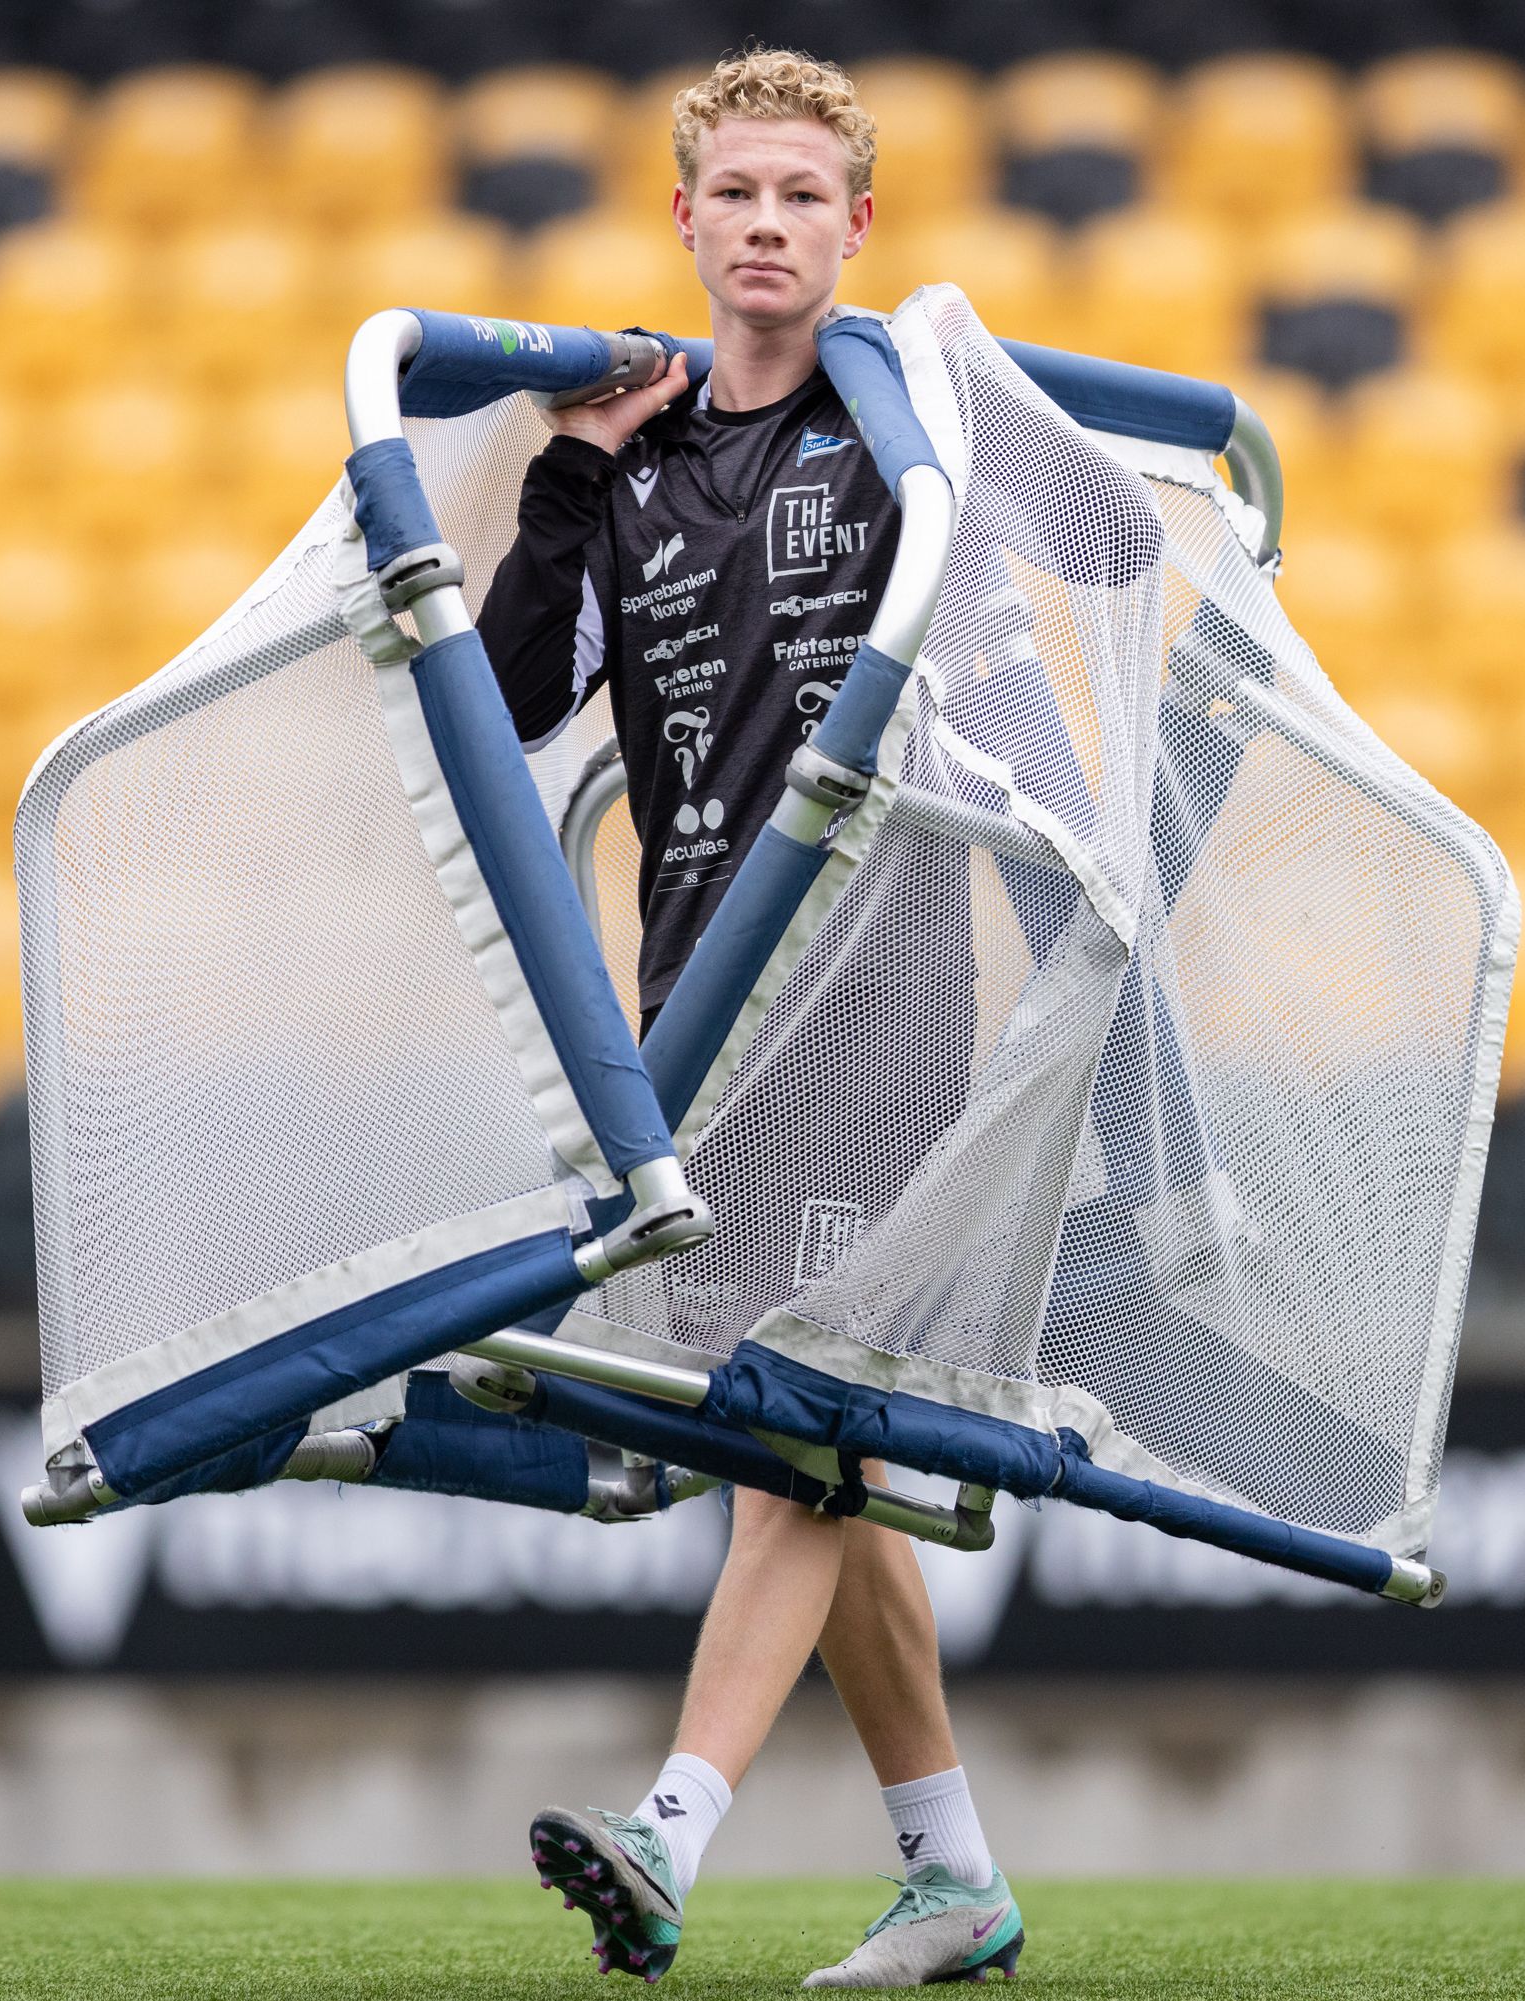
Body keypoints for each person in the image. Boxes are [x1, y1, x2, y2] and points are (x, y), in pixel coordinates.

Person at [476, 46, 1023, 1991]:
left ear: (853, 224)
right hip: (697, 1012)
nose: (773, 224)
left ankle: (670, 1831)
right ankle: (955, 1875)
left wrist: (950, 406)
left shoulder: (901, 426)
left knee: (792, 1427)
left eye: (809, 196)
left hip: (880, 1003)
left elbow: (1104, 549)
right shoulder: (639, 460)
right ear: (687, 221)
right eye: (742, 196)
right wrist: (565, 464)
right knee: (815, 1453)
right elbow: (510, 689)